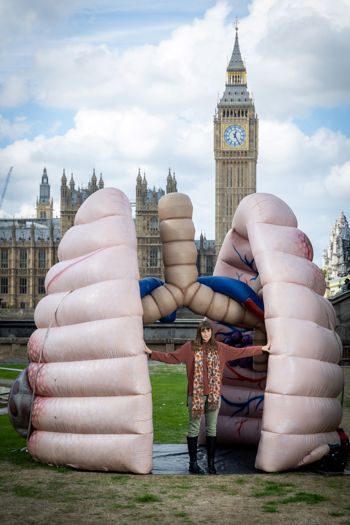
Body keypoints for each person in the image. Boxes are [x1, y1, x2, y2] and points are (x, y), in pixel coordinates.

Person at [144, 319, 268, 475]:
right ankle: (193, 464)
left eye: (208, 330)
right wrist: (151, 354)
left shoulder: (220, 349)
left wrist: (262, 349)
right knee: (194, 427)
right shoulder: (190, 348)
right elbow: (171, 357)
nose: (206, 333)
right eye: (203, 331)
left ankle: (210, 464)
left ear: (211, 332)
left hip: (214, 395)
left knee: (211, 428)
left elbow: (241, 352)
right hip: (195, 395)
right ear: (199, 332)